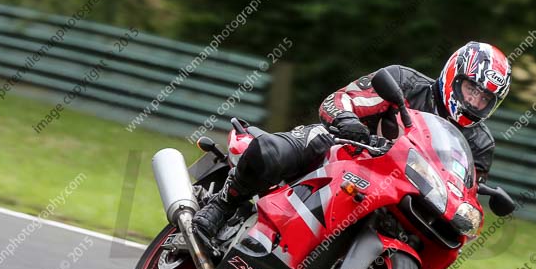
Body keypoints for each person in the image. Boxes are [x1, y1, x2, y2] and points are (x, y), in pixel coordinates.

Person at [193, 41, 511, 240]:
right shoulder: (406, 83)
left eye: (484, 98)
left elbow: (464, 188)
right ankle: (225, 203)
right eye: (472, 89)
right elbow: (338, 101)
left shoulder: (481, 145)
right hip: (348, 153)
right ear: (454, 75)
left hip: (404, 192)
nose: (475, 101)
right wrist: (348, 122)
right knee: (279, 149)